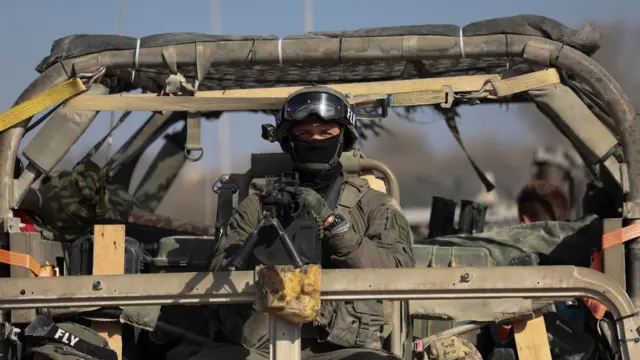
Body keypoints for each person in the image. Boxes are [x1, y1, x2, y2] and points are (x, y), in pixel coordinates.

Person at [188, 86, 416, 360]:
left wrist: (337, 228)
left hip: (344, 349)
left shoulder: (373, 204)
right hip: (263, 346)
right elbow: (220, 269)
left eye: (325, 133)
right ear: (290, 140)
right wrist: (261, 246)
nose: (315, 140)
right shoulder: (258, 204)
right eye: (304, 134)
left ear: (342, 138)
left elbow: (399, 270)